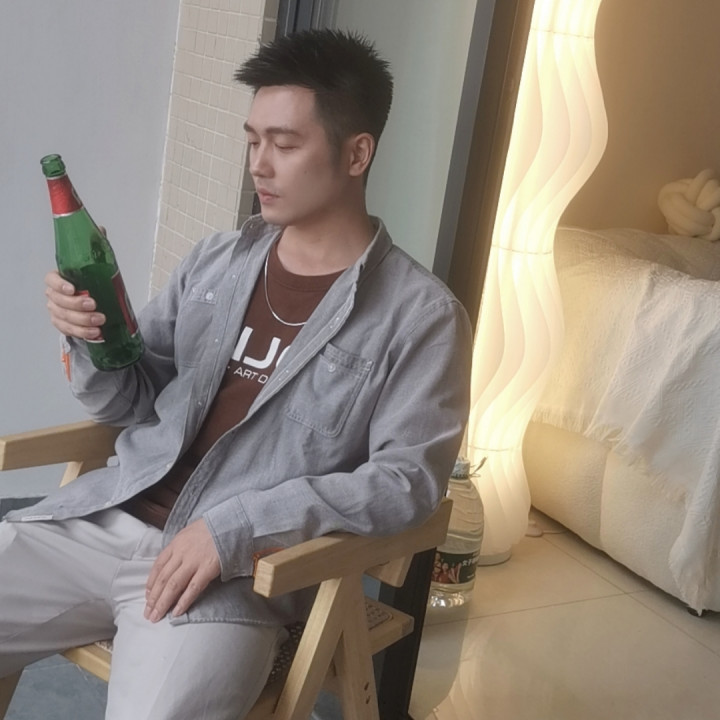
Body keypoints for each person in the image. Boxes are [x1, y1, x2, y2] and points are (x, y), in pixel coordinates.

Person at [0, 29, 472, 720]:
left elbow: (406, 483)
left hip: (232, 577)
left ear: (356, 154)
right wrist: (91, 337)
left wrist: (240, 527)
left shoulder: (420, 317)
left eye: (284, 144)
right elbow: (132, 399)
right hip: (108, 517)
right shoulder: (216, 262)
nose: (259, 165)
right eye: (253, 141)